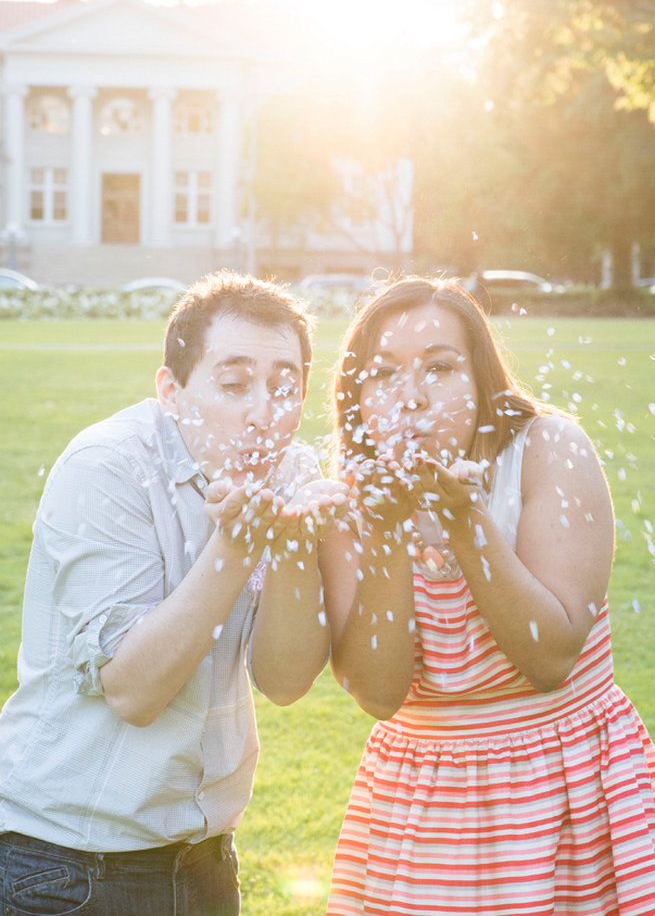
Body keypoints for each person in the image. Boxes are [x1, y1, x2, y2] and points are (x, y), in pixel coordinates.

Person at [0, 269, 348, 916]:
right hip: (68, 866)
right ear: (171, 390)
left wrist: (297, 547)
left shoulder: (291, 471)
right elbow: (134, 691)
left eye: (285, 386)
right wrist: (239, 545)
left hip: (206, 861)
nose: (264, 413)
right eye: (235, 383)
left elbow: (283, 680)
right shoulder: (107, 468)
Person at [321, 275, 655, 915]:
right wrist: (388, 530)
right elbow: (380, 693)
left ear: (482, 382)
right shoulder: (350, 499)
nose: (410, 398)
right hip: (424, 801)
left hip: (566, 787)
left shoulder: (547, 450)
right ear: (356, 395)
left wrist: (465, 521)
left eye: (439, 368)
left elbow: (550, 657)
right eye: (383, 374)